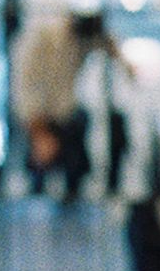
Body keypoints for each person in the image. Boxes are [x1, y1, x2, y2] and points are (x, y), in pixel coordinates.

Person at [11, 11, 118, 202]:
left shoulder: (82, 39)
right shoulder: (43, 39)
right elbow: (25, 86)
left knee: (75, 172)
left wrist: (126, 63)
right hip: (38, 117)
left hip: (65, 114)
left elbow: (105, 44)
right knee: (38, 175)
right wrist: (39, 132)